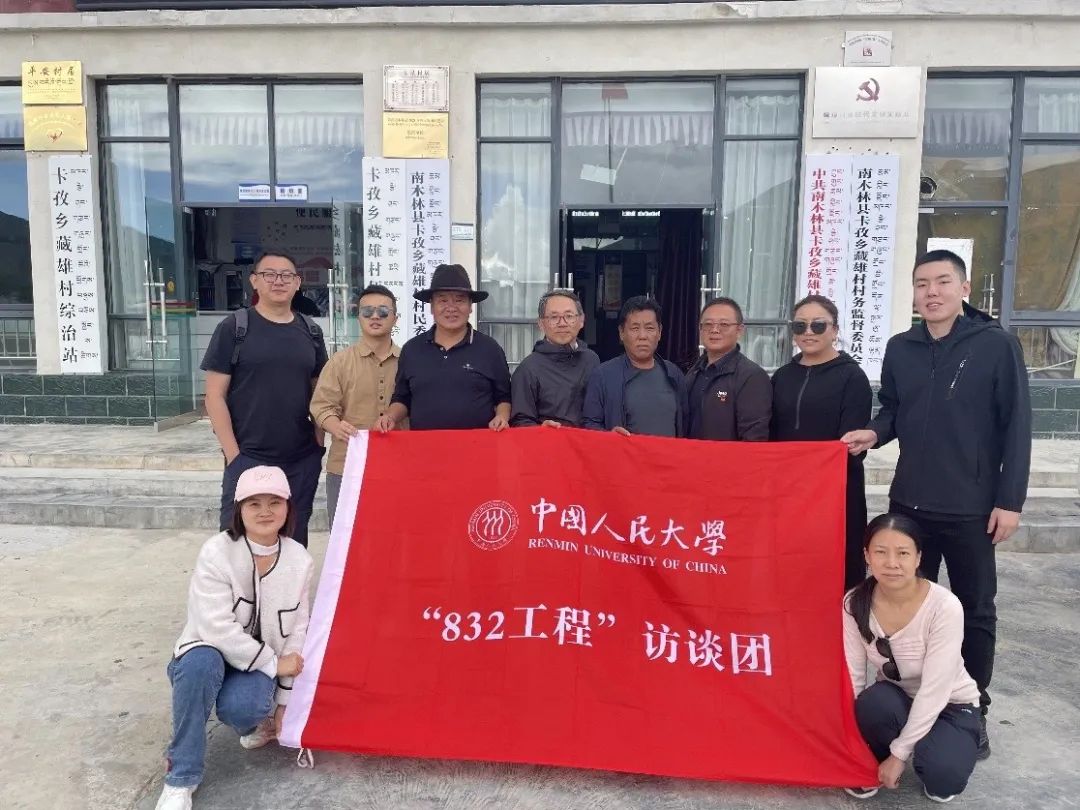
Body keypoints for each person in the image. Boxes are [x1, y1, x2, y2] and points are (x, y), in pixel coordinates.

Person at [842, 249, 1031, 759]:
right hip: (910, 506)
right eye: (922, 283)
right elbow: (894, 410)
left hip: (972, 506)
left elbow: (1017, 425)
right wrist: (873, 433)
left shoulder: (995, 344)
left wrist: (1009, 500)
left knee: (975, 609)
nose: (932, 292)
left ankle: (971, 709)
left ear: (964, 288)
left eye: (943, 282)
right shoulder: (901, 347)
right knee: (903, 605)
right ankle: (905, 700)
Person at [154, 466, 314, 810]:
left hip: (254, 665)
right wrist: (273, 663)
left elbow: (297, 631)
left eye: (274, 502)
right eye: (254, 503)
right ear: (239, 509)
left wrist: (285, 702)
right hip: (206, 653)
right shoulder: (217, 551)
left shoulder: (299, 560)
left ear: (288, 508)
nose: (265, 511)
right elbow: (215, 627)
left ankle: (253, 724)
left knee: (246, 707)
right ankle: (181, 778)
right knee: (200, 665)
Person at [842, 513, 981, 804]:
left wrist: (899, 754)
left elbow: (935, 688)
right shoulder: (854, 603)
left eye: (903, 553)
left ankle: (932, 745)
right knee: (871, 703)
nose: (891, 563)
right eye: (881, 552)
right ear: (867, 556)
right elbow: (853, 675)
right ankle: (876, 755)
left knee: (943, 776)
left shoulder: (944, 606)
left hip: (951, 704)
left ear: (918, 557)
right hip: (896, 700)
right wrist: (853, 744)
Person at [201, 250, 328, 548]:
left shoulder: (311, 331)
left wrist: (318, 444)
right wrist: (234, 456)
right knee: (239, 542)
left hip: (300, 459)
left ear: (297, 283)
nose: (278, 281)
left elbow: (321, 394)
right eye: (269, 274)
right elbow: (214, 396)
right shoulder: (234, 327)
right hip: (248, 455)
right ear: (254, 281)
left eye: (286, 275)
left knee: (293, 539)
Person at [772, 294, 873, 590]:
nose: (808, 332)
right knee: (790, 570)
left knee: (836, 572)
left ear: (835, 330)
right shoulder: (781, 377)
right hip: (788, 493)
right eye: (799, 325)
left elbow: (850, 446)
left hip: (835, 493)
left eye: (818, 325)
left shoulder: (852, 377)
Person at [310, 284, 405, 528]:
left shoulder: (409, 361)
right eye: (367, 311)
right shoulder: (339, 362)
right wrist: (334, 425)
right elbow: (321, 405)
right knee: (346, 539)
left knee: (396, 536)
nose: (375, 317)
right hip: (347, 466)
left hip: (399, 467)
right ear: (358, 317)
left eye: (383, 311)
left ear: (395, 318)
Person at [376, 263, 511, 432]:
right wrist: (390, 417)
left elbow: (504, 397)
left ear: (470, 306)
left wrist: (502, 417)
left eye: (459, 300)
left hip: (477, 446)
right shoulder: (412, 350)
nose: (451, 308)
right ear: (432, 306)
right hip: (423, 446)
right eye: (443, 300)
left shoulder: (490, 349)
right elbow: (402, 398)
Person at [582, 296, 688, 437]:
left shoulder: (674, 374)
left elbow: (686, 427)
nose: (642, 336)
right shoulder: (603, 376)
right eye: (635, 328)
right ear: (621, 333)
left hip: (668, 452)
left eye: (650, 328)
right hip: (621, 452)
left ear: (660, 332)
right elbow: (589, 424)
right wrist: (608, 436)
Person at [685, 296, 772, 441]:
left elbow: (754, 439)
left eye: (724, 324)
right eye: (708, 324)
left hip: (727, 456)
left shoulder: (751, 377)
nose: (714, 330)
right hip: (690, 454)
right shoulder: (694, 371)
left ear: (739, 330)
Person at [510, 289, 600, 428]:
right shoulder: (528, 369)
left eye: (569, 316)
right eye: (553, 317)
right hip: (550, 440)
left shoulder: (591, 360)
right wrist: (541, 429)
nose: (562, 323)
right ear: (541, 324)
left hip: (587, 439)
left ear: (581, 320)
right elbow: (520, 421)